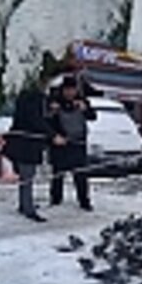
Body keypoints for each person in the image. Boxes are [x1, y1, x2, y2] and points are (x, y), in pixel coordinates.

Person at [1, 75, 58, 222]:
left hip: (23, 141)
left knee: (26, 176)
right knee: (27, 176)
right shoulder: (33, 97)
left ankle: (25, 204)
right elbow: (35, 120)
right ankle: (28, 208)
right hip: (27, 143)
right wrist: (52, 135)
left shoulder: (27, 95)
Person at [48, 75, 96, 211]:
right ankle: (56, 200)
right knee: (58, 174)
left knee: (81, 175)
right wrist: (53, 111)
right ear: (63, 90)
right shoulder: (55, 101)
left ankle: (84, 201)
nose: (70, 93)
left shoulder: (81, 101)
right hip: (61, 144)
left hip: (78, 144)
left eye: (72, 90)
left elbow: (93, 116)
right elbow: (48, 122)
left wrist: (85, 108)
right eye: (67, 90)